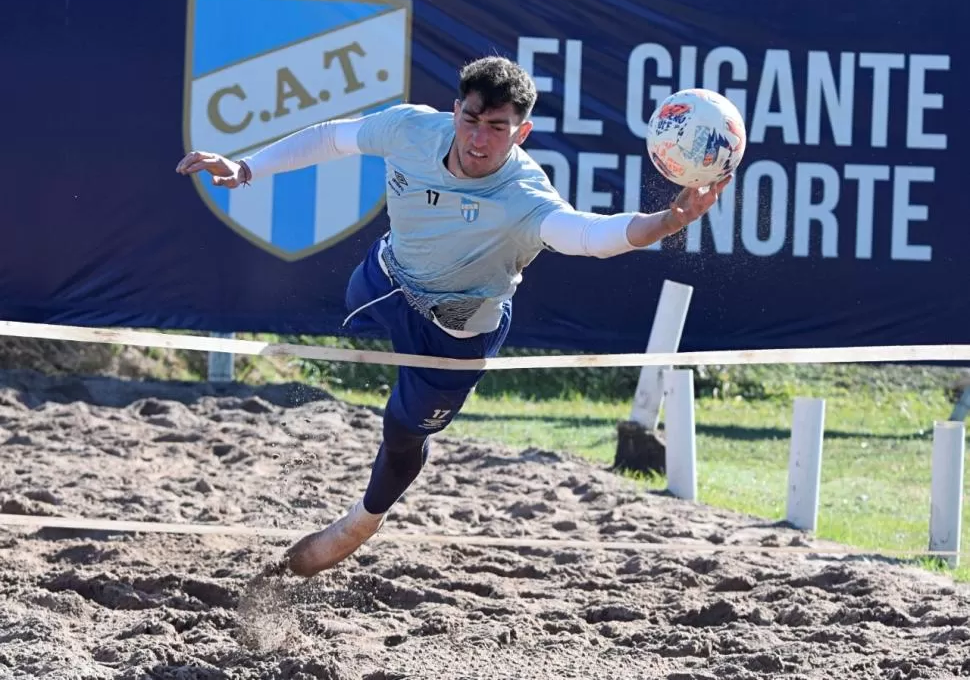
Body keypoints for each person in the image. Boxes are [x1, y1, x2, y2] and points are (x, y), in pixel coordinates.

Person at [175, 56, 731, 578]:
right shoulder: (411, 129)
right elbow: (331, 138)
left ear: (522, 133)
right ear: (454, 110)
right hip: (387, 285)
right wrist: (246, 167)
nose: (477, 138)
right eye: (470, 119)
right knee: (350, 315)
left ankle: (361, 522)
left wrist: (665, 221)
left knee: (401, 434)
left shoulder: (526, 196)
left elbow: (591, 236)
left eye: (496, 126)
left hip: (457, 332)